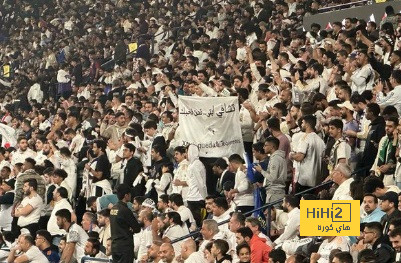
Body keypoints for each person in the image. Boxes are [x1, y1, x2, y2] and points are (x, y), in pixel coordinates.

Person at [109, 184, 141, 262]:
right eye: (130, 194)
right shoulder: (125, 210)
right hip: (125, 247)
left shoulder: (113, 208)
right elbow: (137, 228)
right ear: (126, 195)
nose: (131, 196)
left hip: (115, 246)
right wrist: (130, 229)